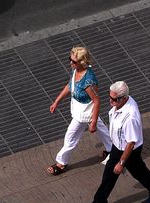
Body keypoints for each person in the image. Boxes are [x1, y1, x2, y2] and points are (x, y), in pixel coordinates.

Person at [82, 81, 150, 203]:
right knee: (109, 174)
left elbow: (131, 143)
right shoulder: (123, 102)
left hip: (129, 151)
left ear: (124, 98)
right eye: (110, 97)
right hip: (117, 146)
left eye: (114, 99)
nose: (110, 101)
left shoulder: (130, 117)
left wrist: (121, 163)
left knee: (139, 173)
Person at [46, 46, 111, 176]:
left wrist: (92, 122)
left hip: (85, 113)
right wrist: (56, 101)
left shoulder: (87, 80)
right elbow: (71, 85)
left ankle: (61, 162)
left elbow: (96, 101)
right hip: (79, 110)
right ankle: (113, 149)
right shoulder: (76, 70)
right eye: (70, 59)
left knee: (71, 136)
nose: (71, 62)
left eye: (74, 61)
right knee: (102, 131)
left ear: (82, 62)